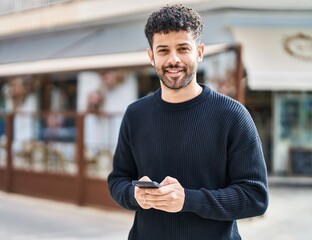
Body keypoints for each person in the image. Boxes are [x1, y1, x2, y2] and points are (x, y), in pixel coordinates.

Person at [107, 4, 268, 240]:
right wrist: (134, 195)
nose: (173, 59)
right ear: (151, 56)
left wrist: (187, 200)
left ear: (199, 52)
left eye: (183, 48)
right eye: (163, 50)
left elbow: (255, 197)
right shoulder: (135, 114)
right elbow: (118, 180)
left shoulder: (232, 115)